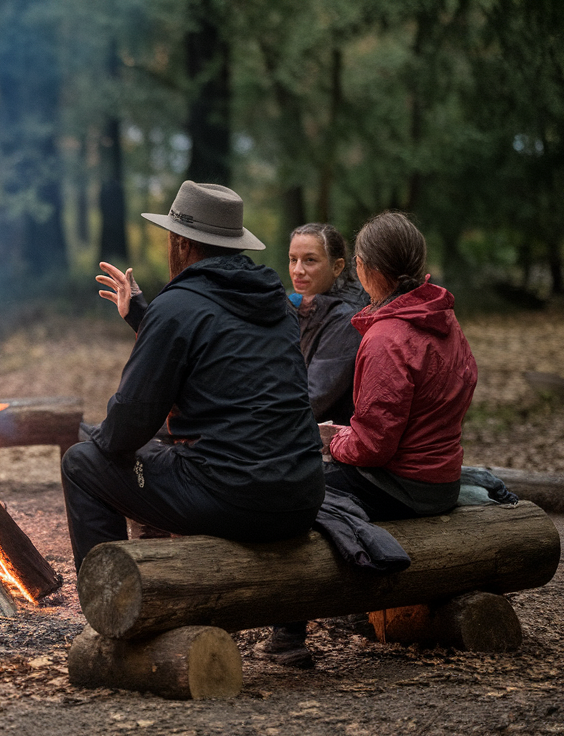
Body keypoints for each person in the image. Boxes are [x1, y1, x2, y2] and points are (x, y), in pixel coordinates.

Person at [62, 180, 324, 571]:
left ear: (183, 243)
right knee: (144, 450)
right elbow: (219, 357)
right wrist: (144, 317)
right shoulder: (277, 303)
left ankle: (111, 603)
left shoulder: (178, 307)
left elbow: (128, 428)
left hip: (235, 498)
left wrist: (99, 437)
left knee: (82, 462)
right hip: (301, 495)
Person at [260, 212, 479, 667]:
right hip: (443, 480)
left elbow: (373, 449)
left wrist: (333, 442)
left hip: (405, 486)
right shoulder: (445, 319)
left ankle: (288, 637)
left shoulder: (387, 337)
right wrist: (347, 436)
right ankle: (360, 615)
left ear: (363, 269)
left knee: (297, 490)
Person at [288, 223, 368, 424]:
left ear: (337, 266)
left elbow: (313, 398)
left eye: (310, 260)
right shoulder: (302, 306)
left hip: (329, 445)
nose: (297, 270)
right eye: (293, 260)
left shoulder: (346, 318)